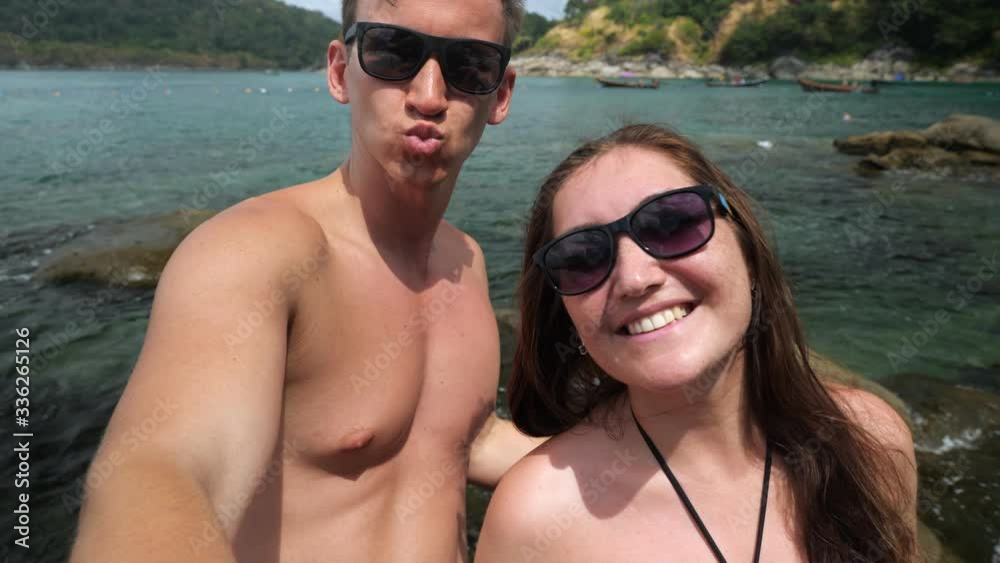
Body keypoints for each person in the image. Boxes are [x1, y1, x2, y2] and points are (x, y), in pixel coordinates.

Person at [70, 1, 544, 562]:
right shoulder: (259, 251)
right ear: (342, 72)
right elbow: (163, 466)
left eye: (470, 65)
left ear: (502, 94)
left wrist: (640, 457)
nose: (429, 95)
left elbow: (467, 438)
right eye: (393, 52)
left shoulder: (466, 259)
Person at [475, 124, 918, 563]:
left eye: (672, 223)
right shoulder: (535, 517)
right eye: (582, 257)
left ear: (747, 251)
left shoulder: (870, 440)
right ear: (568, 319)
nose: (634, 278)